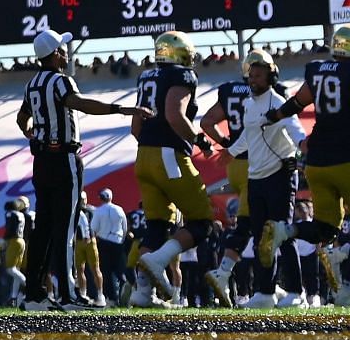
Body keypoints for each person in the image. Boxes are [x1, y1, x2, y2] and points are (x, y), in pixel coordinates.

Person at [15, 28, 151, 309]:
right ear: (54, 54)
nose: (66, 52)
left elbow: (21, 118)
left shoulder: (33, 84)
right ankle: (68, 295)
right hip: (63, 158)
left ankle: (34, 294)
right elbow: (79, 104)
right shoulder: (60, 81)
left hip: (41, 160)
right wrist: (122, 110)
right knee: (65, 228)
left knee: (43, 228)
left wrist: (33, 134)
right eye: (62, 49)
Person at [202, 48, 307, 306]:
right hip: (255, 176)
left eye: (259, 76)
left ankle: (295, 291)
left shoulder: (278, 103)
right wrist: (230, 151)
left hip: (280, 175)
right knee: (261, 238)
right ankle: (265, 292)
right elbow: (249, 135)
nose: (253, 80)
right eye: (251, 75)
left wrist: (303, 148)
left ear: (271, 77)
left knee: (281, 235)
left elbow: (295, 130)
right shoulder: (249, 104)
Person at [265, 23, 350, 303]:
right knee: (336, 231)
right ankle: (340, 257)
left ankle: (286, 230)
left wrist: (275, 116)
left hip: (316, 162)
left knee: (326, 227)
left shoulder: (317, 70)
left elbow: (297, 102)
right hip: (345, 158)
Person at [130, 32, 216, 306]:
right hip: (169, 155)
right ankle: (158, 261)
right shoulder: (182, 76)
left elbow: (136, 126)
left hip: (143, 154)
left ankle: (143, 293)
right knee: (202, 222)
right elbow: (174, 115)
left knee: (157, 226)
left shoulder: (146, 77)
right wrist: (199, 139)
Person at [91, 189, 129, 303]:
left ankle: (112, 298)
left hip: (104, 242)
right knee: (120, 271)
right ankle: (124, 296)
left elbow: (93, 228)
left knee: (106, 272)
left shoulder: (98, 211)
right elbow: (125, 228)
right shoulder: (119, 209)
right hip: (118, 242)